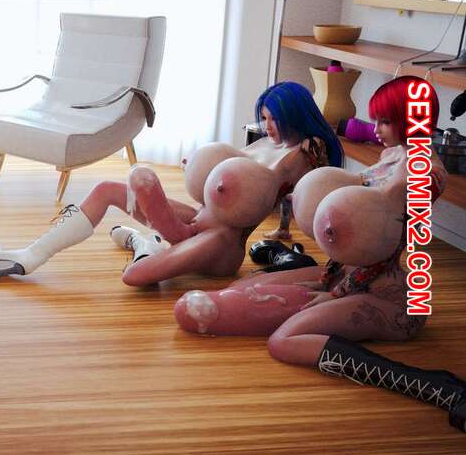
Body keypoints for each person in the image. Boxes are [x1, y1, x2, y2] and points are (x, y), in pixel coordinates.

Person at [174, 76, 463, 432]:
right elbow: (357, 229)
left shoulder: (420, 175)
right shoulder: (392, 157)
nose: (375, 130)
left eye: (385, 122)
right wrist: (328, 279)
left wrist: (335, 294)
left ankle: (433, 386)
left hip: (387, 295)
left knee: (283, 341)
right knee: (243, 287)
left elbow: (385, 248)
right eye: (376, 120)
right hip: (347, 274)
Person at [0, 81, 343, 286]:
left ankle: (145, 242)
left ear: (294, 113)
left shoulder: (305, 152)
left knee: (136, 276)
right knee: (107, 189)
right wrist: (202, 167)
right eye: (264, 118)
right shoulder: (267, 143)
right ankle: (30, 256)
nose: (268, 126)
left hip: (222, 242)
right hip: (198, 219)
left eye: (274, 118)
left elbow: (307, 189)